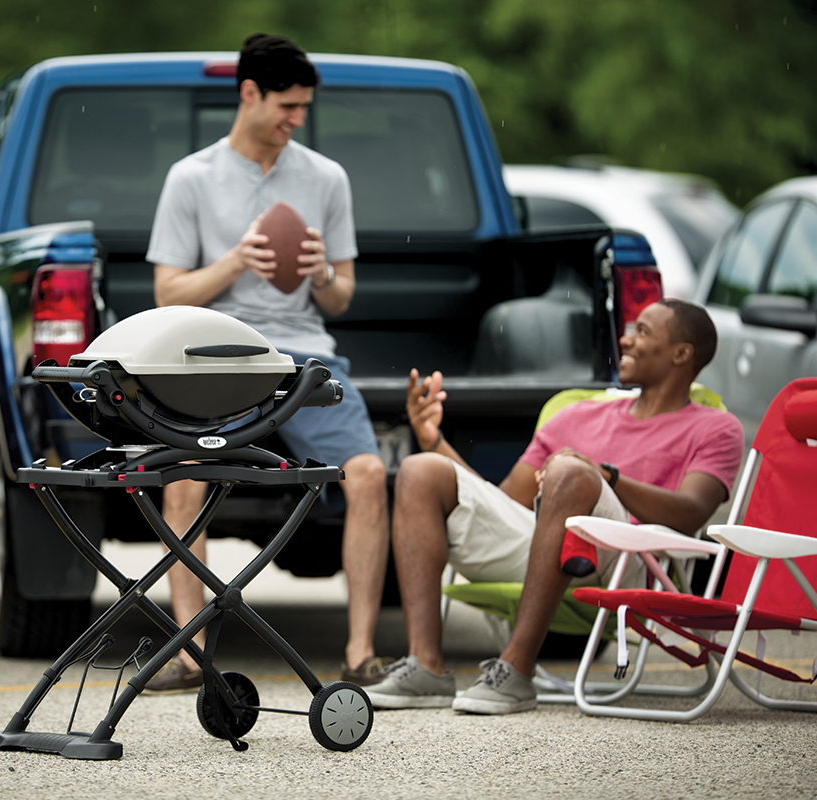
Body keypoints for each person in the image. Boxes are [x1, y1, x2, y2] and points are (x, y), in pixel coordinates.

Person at [143, 33, 391, 692]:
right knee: (184, 478)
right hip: (216, 353)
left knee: (367, 474)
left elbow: (341, 296)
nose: (296, 119)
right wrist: (235, 261)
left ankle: (361, 652)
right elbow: (168, 293)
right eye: (286, 105)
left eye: (304, 107)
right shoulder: (191, 178)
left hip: (304, 355)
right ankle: (191, 654)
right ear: (248, 93)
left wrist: (317, 275)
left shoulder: (325, 177)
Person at [364, 299, 744, 714]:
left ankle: (515, 670)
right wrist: (433, 440)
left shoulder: (716, 427)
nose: (625, 338)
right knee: (420, 471)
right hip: (545, 542)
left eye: (643, 332)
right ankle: (426, 668)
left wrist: (603, 476)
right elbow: (505, 502)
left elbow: (692, 512)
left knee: (571, 471)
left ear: (681, 353)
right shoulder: (576, 415)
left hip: (630, 559)